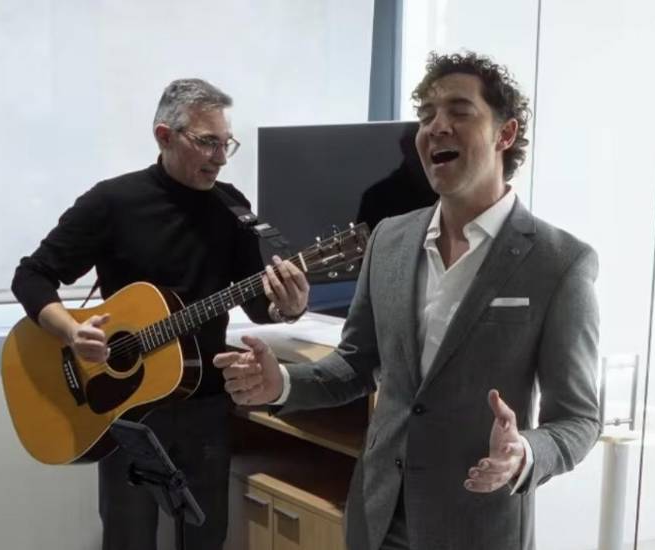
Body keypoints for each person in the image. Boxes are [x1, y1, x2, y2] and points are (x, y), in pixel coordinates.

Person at [214, 52, 600, 550]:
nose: (436, 127)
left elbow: (578, 419)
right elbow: (354, 365)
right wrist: (281, 384)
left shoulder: (559, 262)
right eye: (426, 115)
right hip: (377, 518)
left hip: (475, 525)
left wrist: (524, 453)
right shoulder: (389, 240)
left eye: (459, 111)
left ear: (505, 135)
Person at [10, 78, 309, 550]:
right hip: (126, 410)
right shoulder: (112, 202)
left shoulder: (232, 207)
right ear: (164, 136)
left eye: (225, 142)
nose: (220, 157)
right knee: (128, 541)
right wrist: (70, 330)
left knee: (206, 538)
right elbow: (31, 276)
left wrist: (287, 307)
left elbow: (257, 299)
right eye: (207, 142)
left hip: (205, 402)